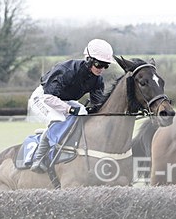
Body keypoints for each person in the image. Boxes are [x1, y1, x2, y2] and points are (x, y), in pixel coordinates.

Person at [27, 38, 114, 172]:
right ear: (89, 60)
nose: (101, 69)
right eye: (98, 64)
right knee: (59, 119)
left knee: (83, 112)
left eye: (105, 65)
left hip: (62, 100)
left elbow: (98, 104)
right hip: (42, 98)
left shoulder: (97, 80)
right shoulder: (67, 70)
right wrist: (69, 109)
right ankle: (38, 158)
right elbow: (49, 97)